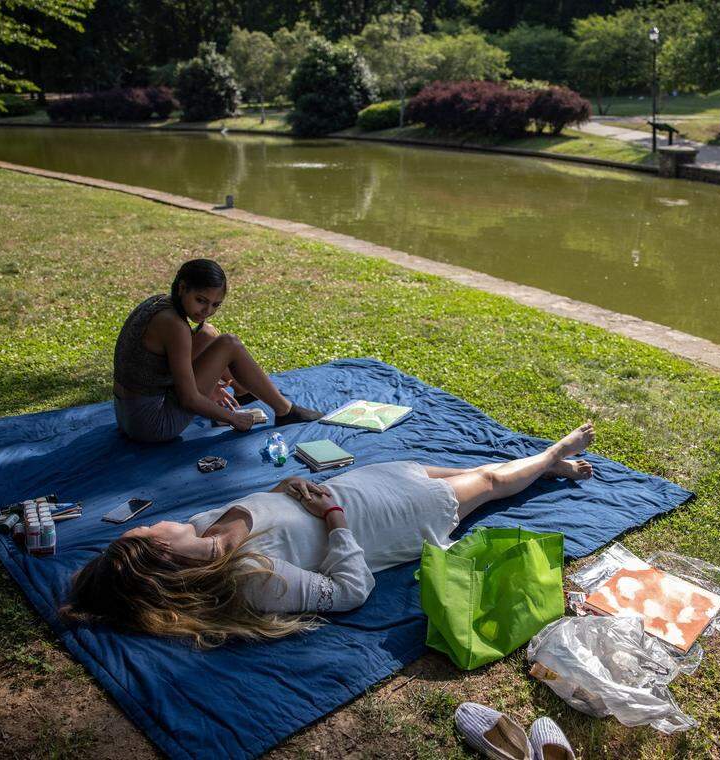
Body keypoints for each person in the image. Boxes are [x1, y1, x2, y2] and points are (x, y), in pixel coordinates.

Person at [61, 423, 597, 647]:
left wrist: (285, 484)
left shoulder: (204, 527)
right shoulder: (250, 579)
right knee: (486, 483)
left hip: (350, 485)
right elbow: (350, 591)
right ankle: (553, 456)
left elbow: (267, 509)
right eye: (148, 527)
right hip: (382, 518)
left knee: (460, 471)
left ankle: (541, 468)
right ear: (159, 549)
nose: (152, 520)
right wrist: (335, 516)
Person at [113, 259, 322, 442]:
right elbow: (189, 399)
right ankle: (285, 410)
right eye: (201, 300)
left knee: (208, 332)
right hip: (151, 426)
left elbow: (154, 367)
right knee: (229, 343)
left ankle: (242, 390)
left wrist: (208, 386)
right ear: (183, 287)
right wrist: (233, 418)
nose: (207, 311)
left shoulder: (158, 303)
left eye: (216, 305)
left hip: (125, 415)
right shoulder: (175, 326)